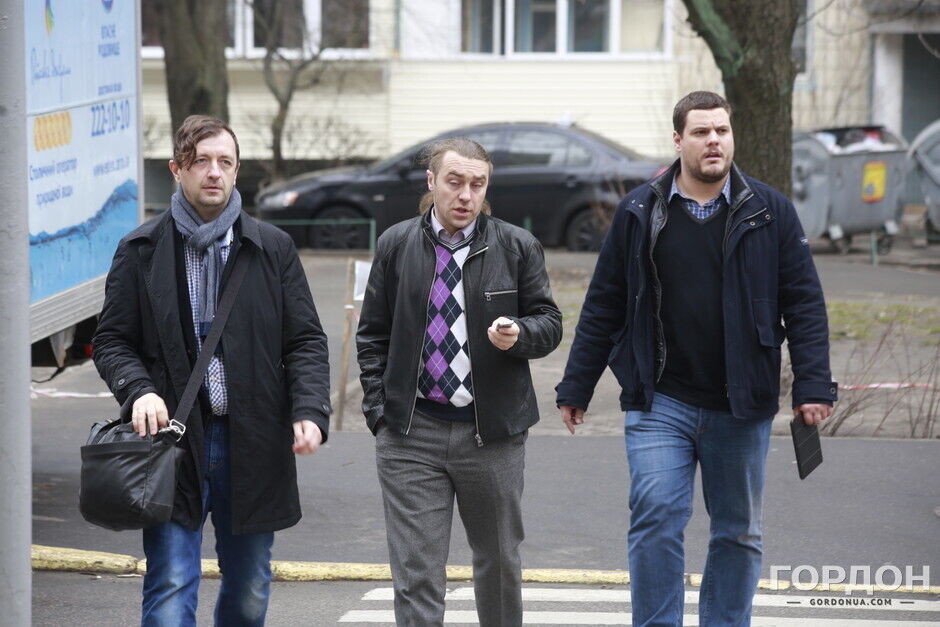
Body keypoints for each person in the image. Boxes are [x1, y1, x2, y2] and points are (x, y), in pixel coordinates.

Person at [555, 91, 837, 626]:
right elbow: (605, 302)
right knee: (656, 516)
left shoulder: (770, 210)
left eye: (722, 131)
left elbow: (803, 302)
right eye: (702, 132)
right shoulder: (639, 211)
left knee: (738, 531)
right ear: (678, 140)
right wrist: (577, 385)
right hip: (660, 397)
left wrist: (813, 385)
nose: (714, 141)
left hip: (741, 402)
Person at [93, 115, 331, 626]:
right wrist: (139, 391)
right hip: (173, 443)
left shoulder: (271, 248)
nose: (214, 172)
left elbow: (306, 340)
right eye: (201, 161)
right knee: (171, 582)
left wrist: (310, 410)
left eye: (225, 161)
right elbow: (111, 340)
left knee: (249, 586)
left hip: (254, 439)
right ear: (177, 169)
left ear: (238, 170)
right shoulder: (140, 250)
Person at [356, 137, 562, 626]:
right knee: (417, 572)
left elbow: (550, 322)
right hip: (411, 434)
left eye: (477, 184)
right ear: (432, 182)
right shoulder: (396, 244)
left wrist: (521, 334)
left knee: (499, 563)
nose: (466, 195)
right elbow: (372, 335)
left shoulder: (515, 245)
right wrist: (379, 411)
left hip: (491, 434)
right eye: (454, 182)